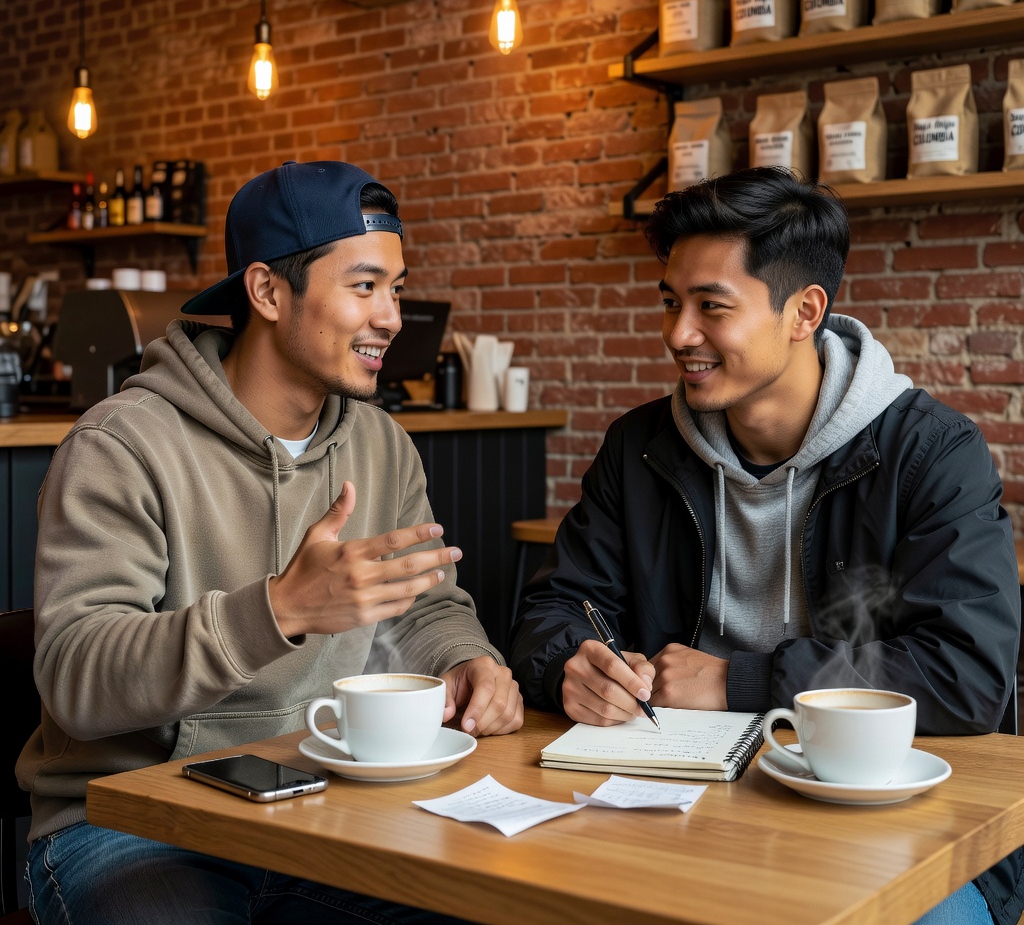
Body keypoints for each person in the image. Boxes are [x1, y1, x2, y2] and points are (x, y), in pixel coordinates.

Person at [508, 166, 1024, 925]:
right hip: (674, 801)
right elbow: (556, 606)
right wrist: (570, 667)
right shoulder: (640, 446)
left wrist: (736, 683)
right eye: (671, 302)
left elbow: (968, 675)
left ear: (804, 312)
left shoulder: (931, 452)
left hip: (886, 817)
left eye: (711, 307)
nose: (678, 334)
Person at [18, 160, 523, 925]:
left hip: (319, 804)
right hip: (131, 825)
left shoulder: (382, 446)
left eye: (394, 286)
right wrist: (280, 609)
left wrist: (466, 659)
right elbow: (76, 678)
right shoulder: (123, 445)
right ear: (266, 292)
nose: (391, 315)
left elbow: (422, 607)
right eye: (363, 287)